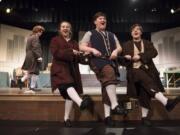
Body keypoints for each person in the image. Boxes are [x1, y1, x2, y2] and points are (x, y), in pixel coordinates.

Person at [120, 23, 180, 126]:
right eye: (133, 29)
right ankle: (166, 102)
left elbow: (154, 52)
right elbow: (120, 60)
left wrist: (140, 56)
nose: (135, 31)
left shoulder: (147, 43)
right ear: (131, 33)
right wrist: (126, 58)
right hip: (133, 72)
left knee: (145, 91)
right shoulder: (125, 45)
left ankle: (144, 118)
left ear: (141, 32)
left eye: (138, 29)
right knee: (144, 79)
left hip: (148, 72)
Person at [79, 12, 127, 126]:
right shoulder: (90, 33)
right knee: (109, 73)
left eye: (104, 19)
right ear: (95, 21)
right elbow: (81, 46)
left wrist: (116, 51)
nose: (103, 20)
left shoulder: (111, 34)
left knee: (106, 87)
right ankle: (115, 105)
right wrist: (92, 50)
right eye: (100, 18)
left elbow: (119, 47)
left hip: (110, 61)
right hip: (97, 60)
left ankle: (107, 117)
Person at [50, 21, 93, 127]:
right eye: (63, 27)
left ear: (70, 29)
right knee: (67, 84)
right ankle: (80, 103)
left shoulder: (74, 42)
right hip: (60, 69)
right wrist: (71, 52)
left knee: (69, 95)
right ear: (60, 29)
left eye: (67, 27)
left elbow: (78, 58)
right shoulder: (55, 40)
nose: (65, 28)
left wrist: (86, 56)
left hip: (72, 70)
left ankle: (66, 118)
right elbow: (55, 53)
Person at [18, 25, 45, 94]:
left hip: (30, 56)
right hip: (33, 56)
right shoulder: (35, 37)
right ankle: (31, 88)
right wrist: (39, 56)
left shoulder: (30, 37)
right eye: (40, 32)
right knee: (35, 72)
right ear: (37, 31)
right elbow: (35, 47)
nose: (41, 34)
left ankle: (21, 80)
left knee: (31, 72)